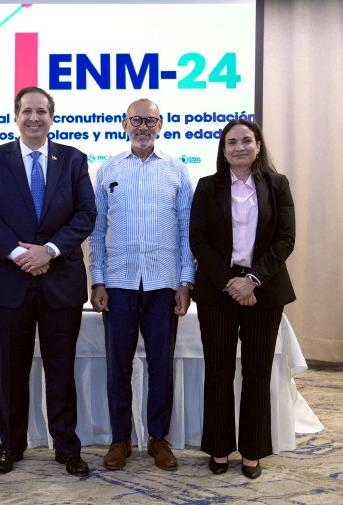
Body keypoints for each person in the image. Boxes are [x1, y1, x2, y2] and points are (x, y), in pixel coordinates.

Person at [0, 86, 96, 477]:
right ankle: (11, 446)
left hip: (60, 279)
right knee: (12, 369)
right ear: (16, 116)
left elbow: (85, 214)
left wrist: (49, 250)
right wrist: (19, 254)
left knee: (61, 368)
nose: (34, 118)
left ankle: (66, 446)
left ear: (51, 116)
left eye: (41, 111)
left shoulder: (74, 160)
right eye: (27, 111)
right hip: (9, 281)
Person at [88, 98, 195, 472]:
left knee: (160, 366)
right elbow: (98, 231)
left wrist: (186, 281)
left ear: (161, 124)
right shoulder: (106, 170)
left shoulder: (178, 172)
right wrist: (97, 279)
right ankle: (120, 439)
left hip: (164, 283)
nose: (143, 126)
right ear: (124, 123)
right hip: (117, 283)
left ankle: (157, 438)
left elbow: (186, 232)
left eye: (150, 120)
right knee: (118, 366)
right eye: (136, 119)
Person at [189, 118, 295, 479]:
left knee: (256, 373)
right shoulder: (207, 187)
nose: (239, 147)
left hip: (264, 290)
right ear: (223, 150)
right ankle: (219, 448)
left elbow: (285, 239)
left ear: (258, 146)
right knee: (218, 372)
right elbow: (198, 241)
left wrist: (251, 280)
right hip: (218, 291)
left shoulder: (277, 185)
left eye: (246, 141)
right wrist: (232, 283)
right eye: (231, 142)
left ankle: (252, 451)